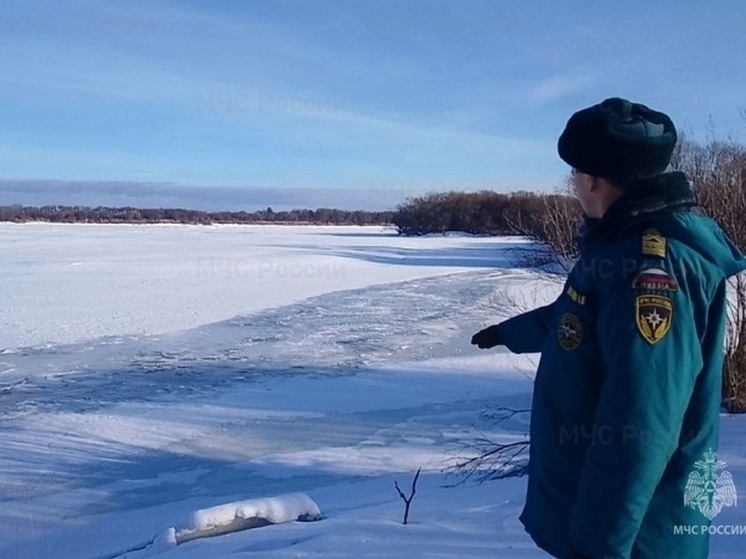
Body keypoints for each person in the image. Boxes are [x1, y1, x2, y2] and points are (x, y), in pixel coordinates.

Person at [471, 97, 746, 559]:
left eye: (575, 172)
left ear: (593, 179)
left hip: (637, 537)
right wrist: (509, 333)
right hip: (609, 526)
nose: (573, 184)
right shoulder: (617, 246)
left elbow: (642, 421)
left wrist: (598, 548)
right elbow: (575, 320)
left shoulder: (648, 269)